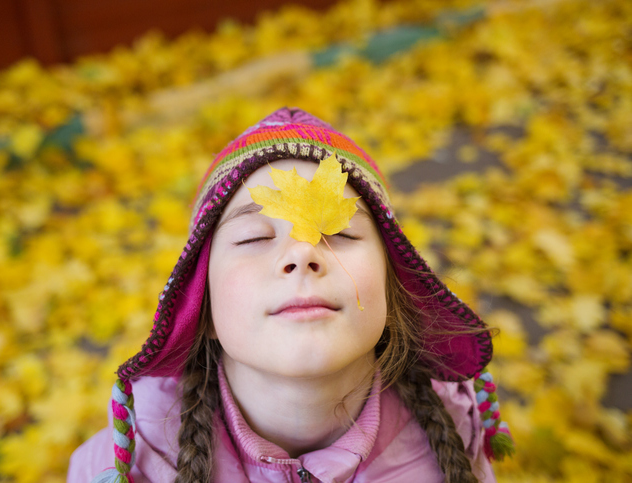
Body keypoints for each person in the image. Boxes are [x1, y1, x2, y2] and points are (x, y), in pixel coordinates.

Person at [68, 108, 513, 483]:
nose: (301, 254)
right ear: (203, 307)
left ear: (393, 293)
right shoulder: (135, 465)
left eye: (339, 233)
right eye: (254, 237)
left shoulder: (453, 433)